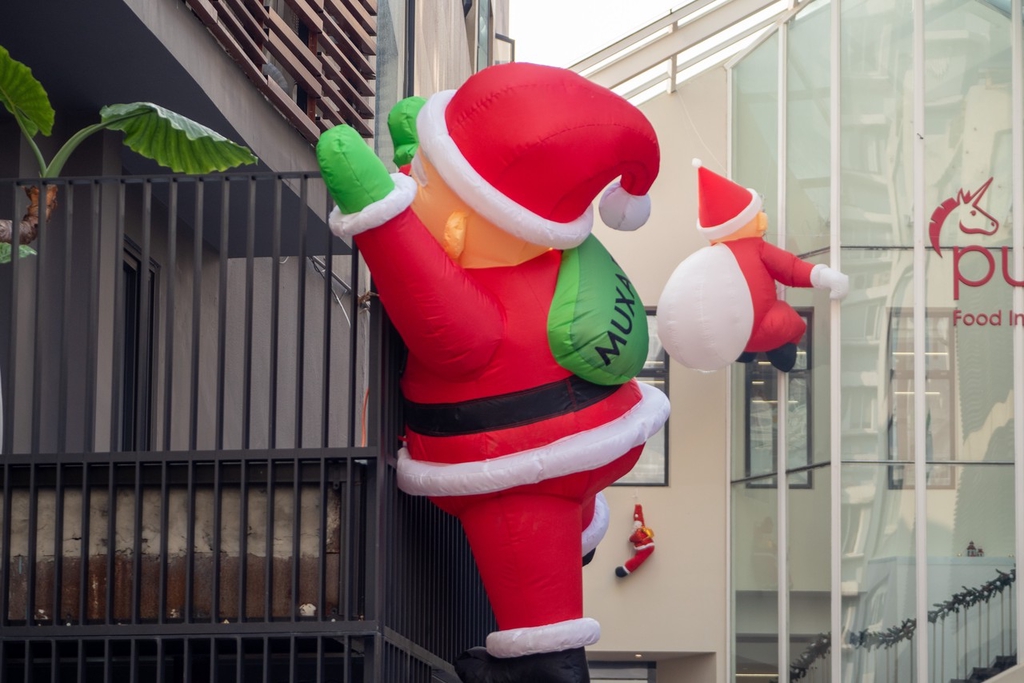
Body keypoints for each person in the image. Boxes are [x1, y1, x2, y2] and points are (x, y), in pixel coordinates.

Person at [317, 62, 670, 683]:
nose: (408, 179)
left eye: (420, 173)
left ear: (459, 220)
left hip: (528, 464)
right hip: (592, 434)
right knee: (555, 516)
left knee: (532, 566)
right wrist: (412, 155)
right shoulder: (544, 248)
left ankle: (543, 663)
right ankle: (575, 540)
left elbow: (431, 308)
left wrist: (380, 211)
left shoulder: (480, 302)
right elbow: (450, 197)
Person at [657, 160, 850, 373]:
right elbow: (792, 269)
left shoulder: (711, 257)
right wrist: (825, 277)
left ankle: (746, 353)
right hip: (764, 328)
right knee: (793, 321)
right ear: (757, 220)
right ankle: (783, 352)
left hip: (731, 335)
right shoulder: (757, 248)